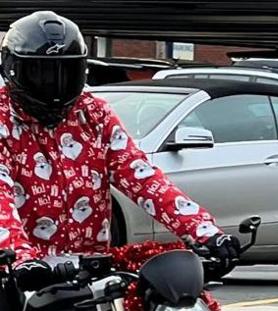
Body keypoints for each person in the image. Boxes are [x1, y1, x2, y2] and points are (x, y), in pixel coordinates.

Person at [0, 11, 237, 295]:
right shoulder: (2, 120)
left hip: (89, 271)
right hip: (18, 277)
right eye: (41, 74)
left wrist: (205, 232)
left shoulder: (94, 114)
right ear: (12, 70)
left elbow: (142, 178)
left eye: (67, 73)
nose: (55, 86)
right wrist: (21, 258)